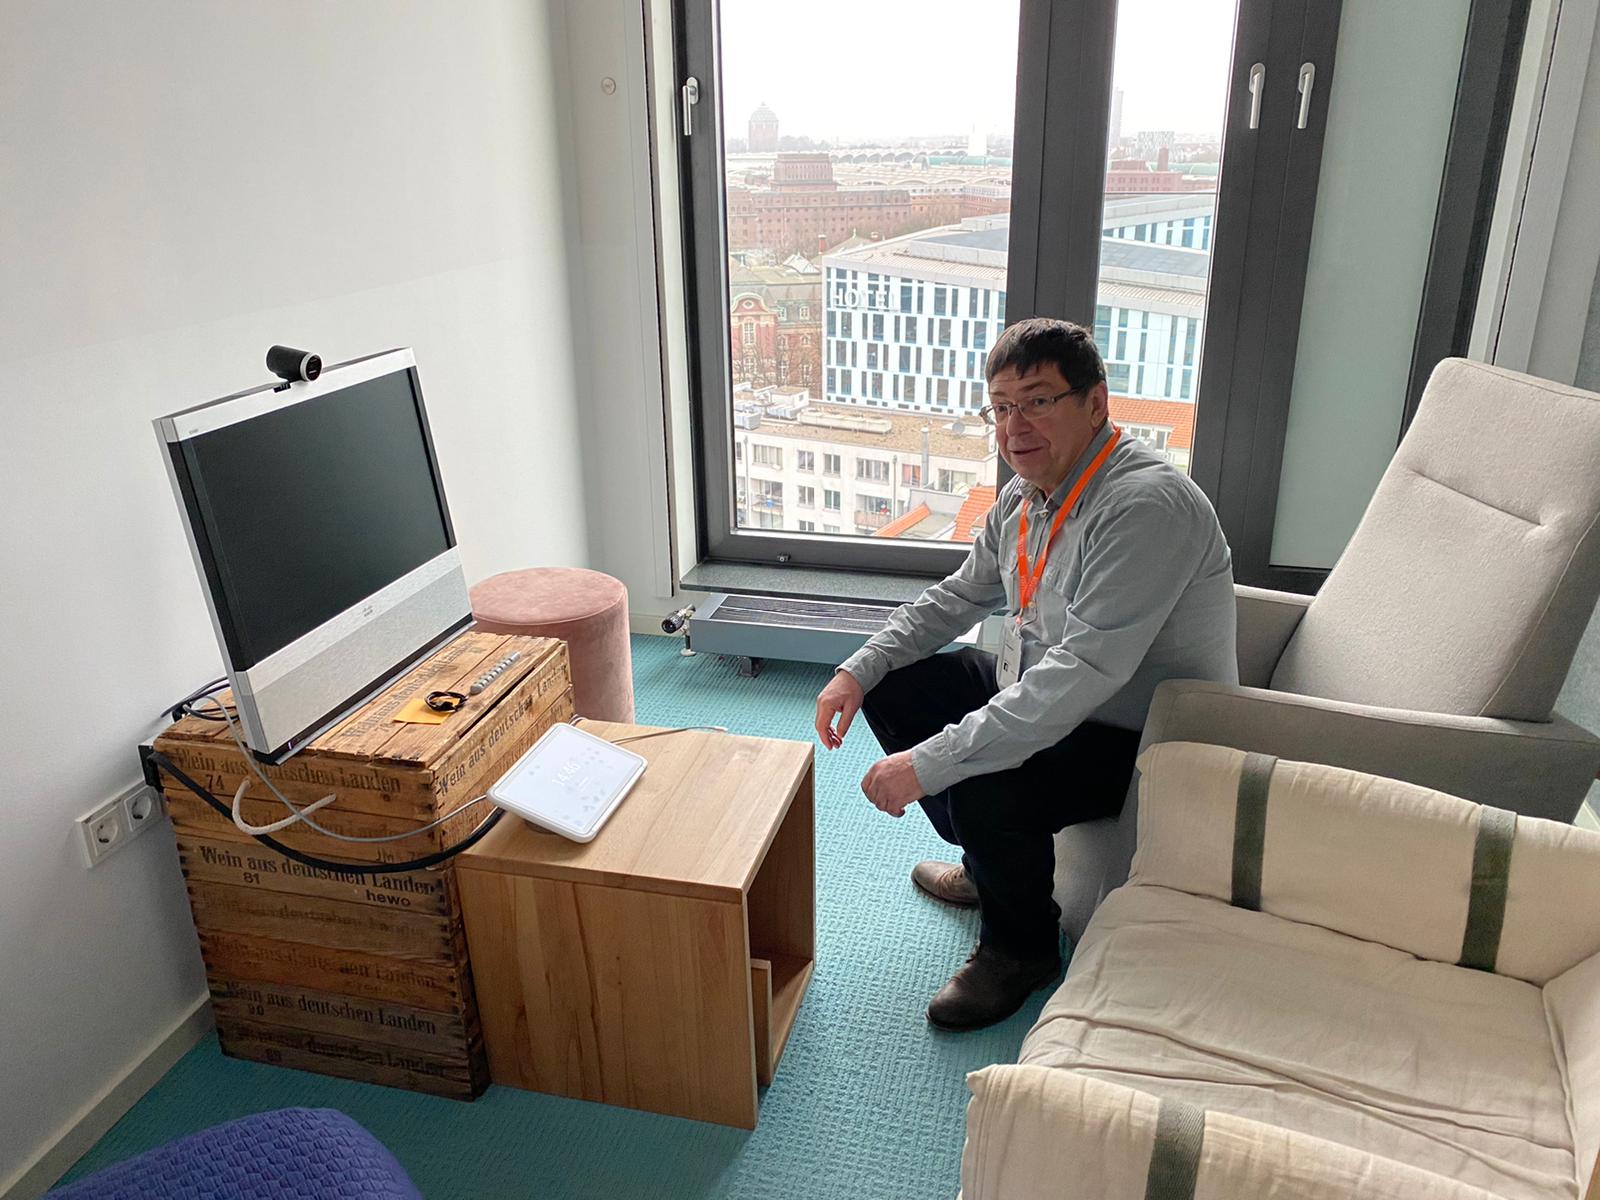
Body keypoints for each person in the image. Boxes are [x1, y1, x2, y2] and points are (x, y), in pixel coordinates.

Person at [813, 317, 1237, 1031]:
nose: (1015, 428)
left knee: (982, 778)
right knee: (899, 684)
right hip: (1050, 692)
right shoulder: (1025, 493)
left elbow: (1080, 674)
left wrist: (930, 762)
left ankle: (1022, 949)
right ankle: (992, 869)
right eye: (1002, 408)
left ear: (1095, 404)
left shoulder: (1144, 507)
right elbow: (958, 597)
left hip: (1139, 731)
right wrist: (860, 668)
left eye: (1037, 401)